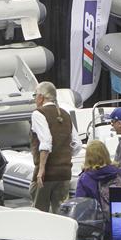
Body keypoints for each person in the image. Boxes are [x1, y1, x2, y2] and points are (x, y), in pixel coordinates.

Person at [30, 81, 81, 213]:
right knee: (61, 214)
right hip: (64, 174)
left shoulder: (38, 113)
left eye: (35, 95)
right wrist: (63, 156)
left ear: (41, 97)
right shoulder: (66, 114)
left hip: (47, 174)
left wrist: (41, 170)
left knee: (39, 214)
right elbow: (77, 144)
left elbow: (46, 142)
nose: (35, 98)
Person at [75, 140, 121, 211]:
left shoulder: (84, 178)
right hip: (118, 216)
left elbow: (79, 204)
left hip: (97, 220)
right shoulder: (119, 172)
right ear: (106, 153)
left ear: (87, 157)